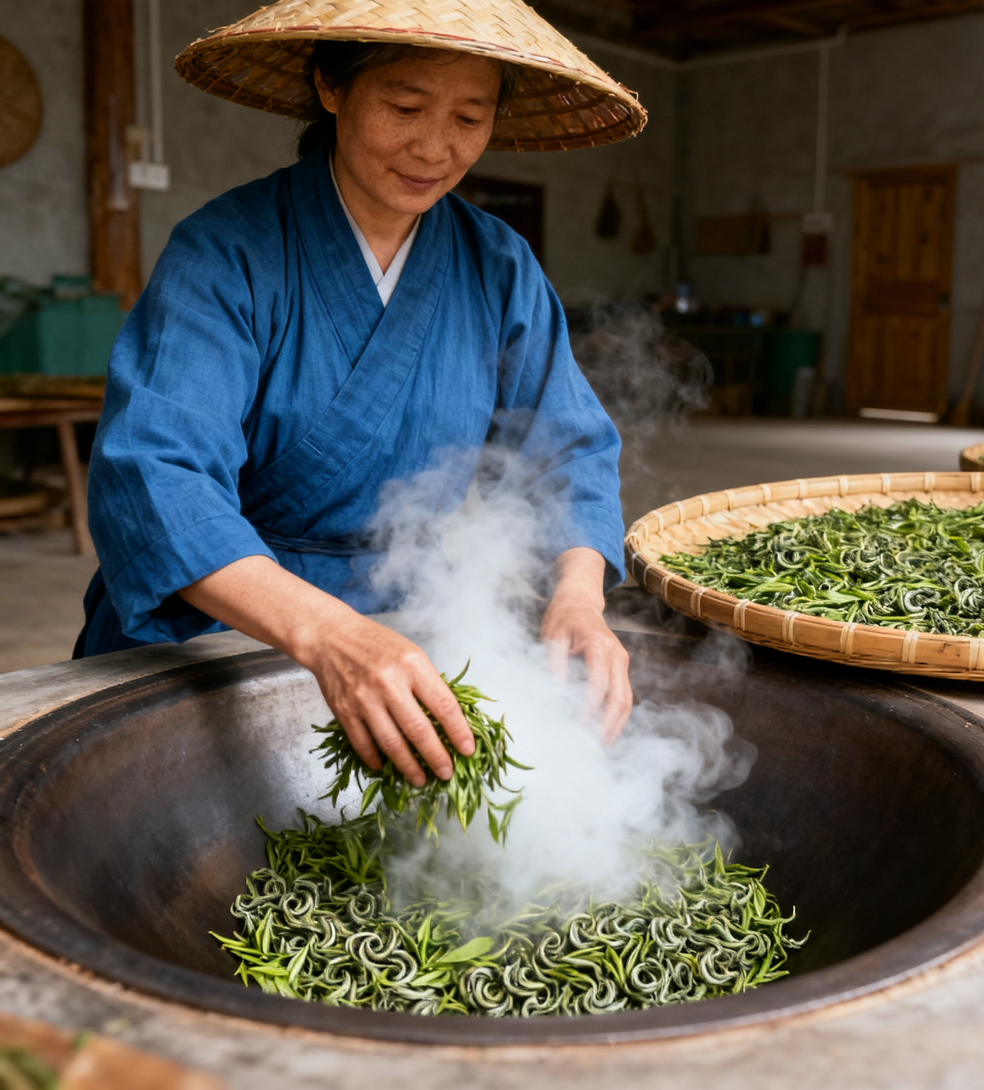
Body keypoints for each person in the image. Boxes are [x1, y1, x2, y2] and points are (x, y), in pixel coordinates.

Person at [77, 0, 648, 789]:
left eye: (469, 117)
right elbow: (156, 474)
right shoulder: (226, 251)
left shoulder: (499, 265)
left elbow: (569, 447)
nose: (435, 147)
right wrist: (326, 634)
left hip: (401, 626)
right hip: (220, 622)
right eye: (405, 106)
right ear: (330, 87)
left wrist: (581, 597)